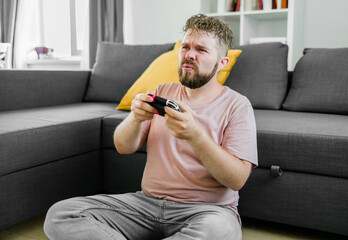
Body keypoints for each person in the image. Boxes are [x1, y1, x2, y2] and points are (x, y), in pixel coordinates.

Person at [44, 14, 257, 240]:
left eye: (201, 50)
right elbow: (123, 146)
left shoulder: (237, 105)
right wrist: (135, 118)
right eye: (186, 46)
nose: (189, 54)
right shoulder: (163, 91)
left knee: (221, 231)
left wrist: (196, 136)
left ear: (221, 63)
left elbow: (237, 179)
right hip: (146, 205)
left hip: (207, 211)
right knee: (61, 215)